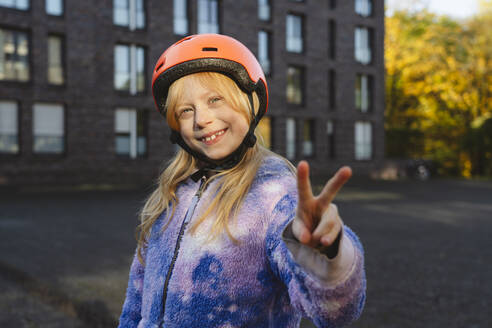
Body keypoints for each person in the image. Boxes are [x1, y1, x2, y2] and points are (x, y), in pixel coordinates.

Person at [118, 34, 366, 328]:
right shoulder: (170, 194)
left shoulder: (273, 194)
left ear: (249, 102)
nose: (201, 119)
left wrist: (328, 255)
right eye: (185, 110)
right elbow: (136, 303)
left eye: (215, 99)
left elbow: (334, 312)